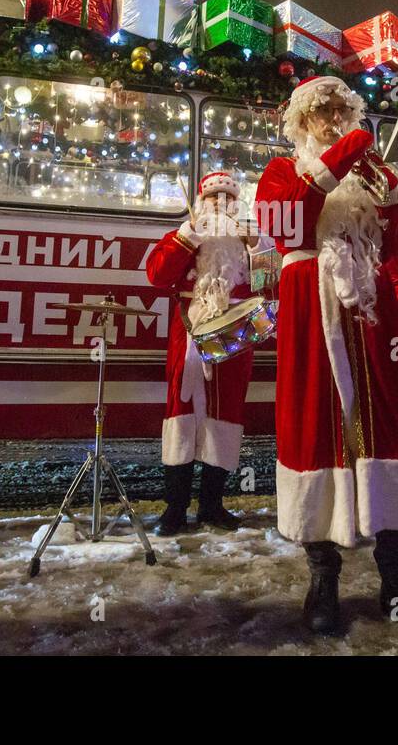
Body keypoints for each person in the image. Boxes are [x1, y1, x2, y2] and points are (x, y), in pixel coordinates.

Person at [254, 76, 398, 636]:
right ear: (301, 123)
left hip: (373, 320)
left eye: (342, 110)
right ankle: (323, 576)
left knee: (386, 434)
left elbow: (395, 257)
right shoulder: (281, 171)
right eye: (321, 112)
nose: (333, 118)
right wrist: (344, 153)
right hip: (312, 318)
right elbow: (287, 223)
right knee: (316, 432)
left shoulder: (379, 180)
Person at [144, 171, 257, 536]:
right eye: (214, 197)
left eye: (228, 197)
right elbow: (158, 275)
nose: (221, 203)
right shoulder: (185, 234)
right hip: (191, 334)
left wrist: (258, 249)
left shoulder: (249, 240)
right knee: (182, 416)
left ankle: (212, 506)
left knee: (226, 417)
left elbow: (272, 287)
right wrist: (188, 235)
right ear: (201, 201)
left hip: (235, 337)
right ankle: (174, 508)